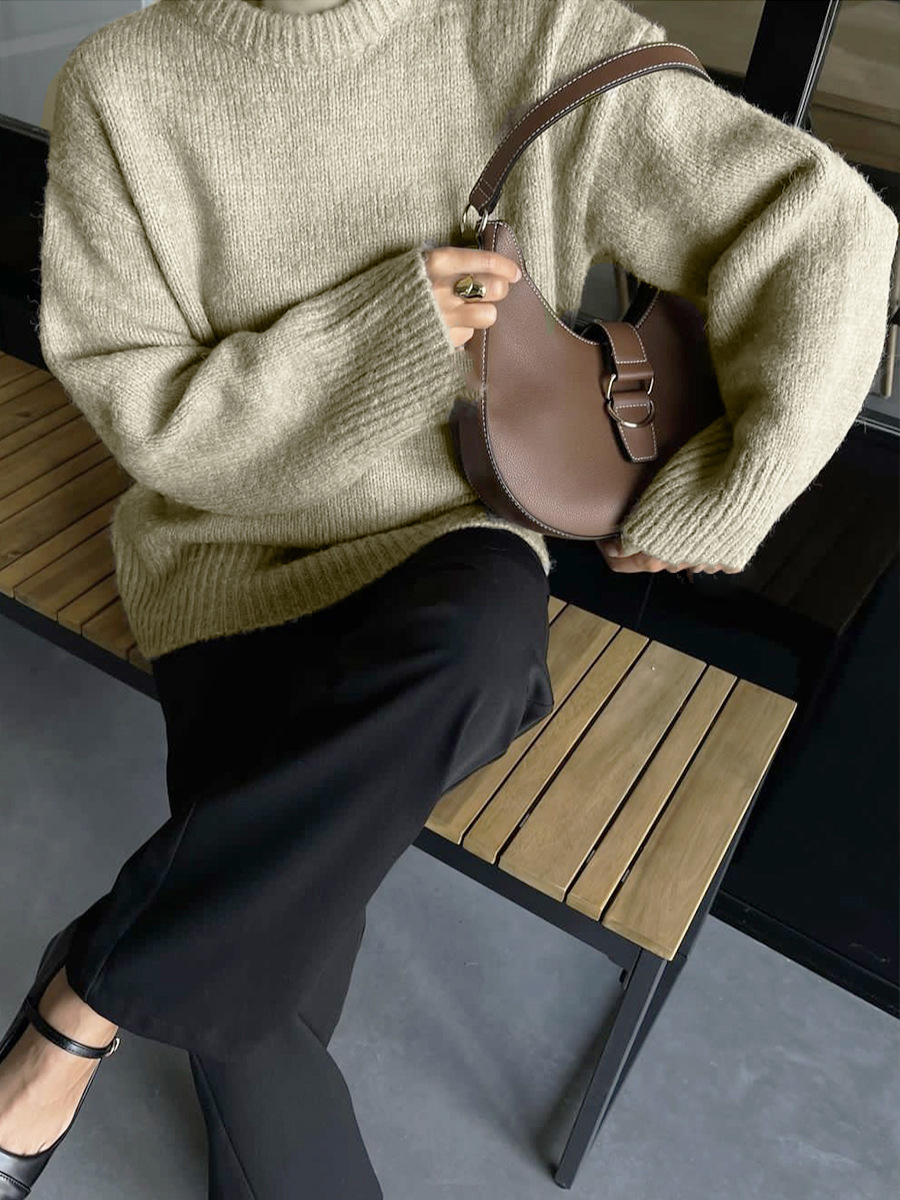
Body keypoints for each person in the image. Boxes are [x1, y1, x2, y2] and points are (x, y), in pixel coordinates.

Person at [0, 0, 896, 1196]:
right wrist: (389, 330)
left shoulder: (530, 33)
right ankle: (93, 1000)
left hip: (449, 540)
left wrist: (737, 491)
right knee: (267, 969)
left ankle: (81, 1003)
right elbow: (147, 415)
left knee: (479, 641)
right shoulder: (124, 84)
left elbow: (829, 228)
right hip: (224, 549)